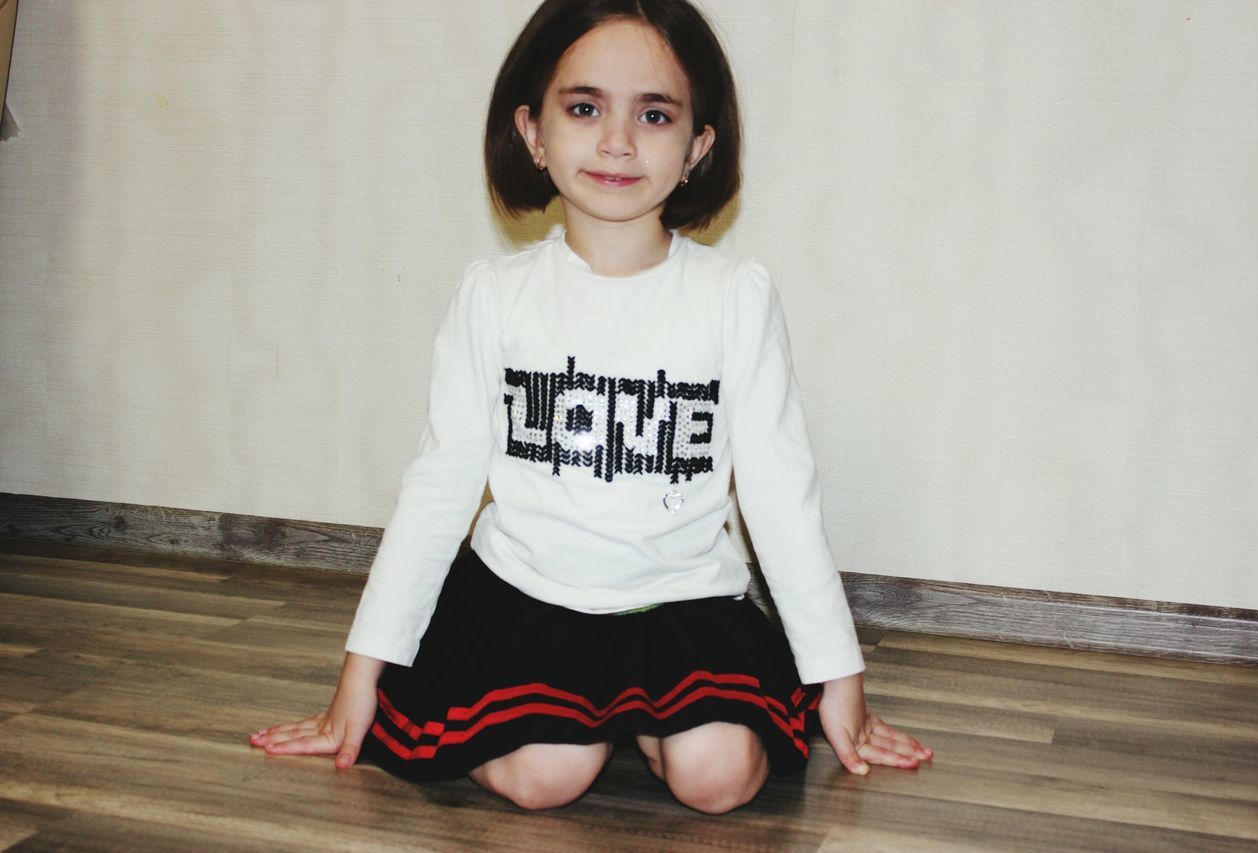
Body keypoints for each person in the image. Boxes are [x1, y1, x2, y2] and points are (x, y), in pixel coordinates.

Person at [250, 0, 931, 814]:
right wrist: (358, 677)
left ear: (698, 147)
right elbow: (440, 487)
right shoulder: (494, 295)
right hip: (525, 600)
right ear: (534, 133)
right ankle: (596, 723)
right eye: (584, 108)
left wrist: (840, 679)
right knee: (548, 774)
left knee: (718, 779)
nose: (618, 140)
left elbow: (781, 493)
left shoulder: (733, 297)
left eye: (653, 114)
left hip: (685, 602)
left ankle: (650, 718)